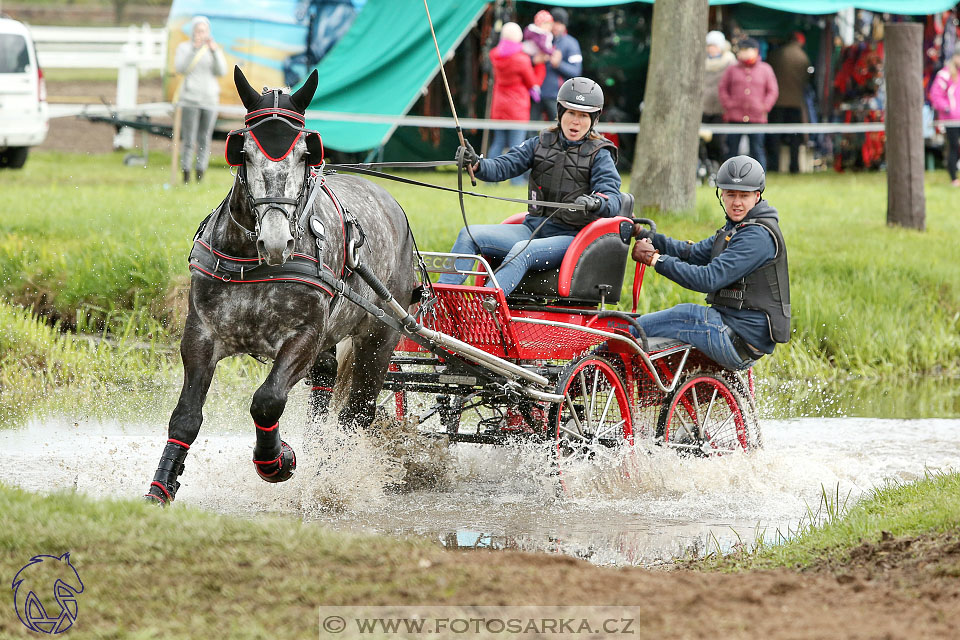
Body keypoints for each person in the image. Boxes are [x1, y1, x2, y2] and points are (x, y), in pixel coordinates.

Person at [438, 77, 622, 296]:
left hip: (572, 239)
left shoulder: (600, 154)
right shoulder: (540, 143)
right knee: (468, 234)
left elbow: (613, 198)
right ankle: (440, 305)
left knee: (521, 250)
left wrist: (596, 201)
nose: (576, 121)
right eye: (571, 113)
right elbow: (503, 166)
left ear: (594, 119)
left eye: (583, 116)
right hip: (531, 229)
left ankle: (483, 310)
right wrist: (477, 164)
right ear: (560, 111)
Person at [629, 155, 791, 371]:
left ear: (757, 196)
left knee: (637, 328)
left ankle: (580, 377)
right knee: (656, 323)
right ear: (721, 194)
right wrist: (641, 232)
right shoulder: (734, 229)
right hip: (728, 326)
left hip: (738, 338)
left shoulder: (757, 237)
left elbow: (708, 279)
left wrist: (654, 259)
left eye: (744, 195)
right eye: (731, 194)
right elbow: (690, 253)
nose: (736, 202)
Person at [174, 15, 227, 184]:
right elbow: (181, 68)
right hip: (190, 99)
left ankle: (200, 171)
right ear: (193, 31)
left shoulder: (213, 49)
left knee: (205, 138)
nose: (200, 34)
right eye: (197, 30)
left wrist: (214, 51)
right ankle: (186, 172)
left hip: (210, 100)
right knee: (189, 138)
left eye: (203, 31)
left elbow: (221, 71)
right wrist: (194, 50)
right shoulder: (184, 48)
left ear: (208, 32)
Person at [488, 22, 537, 186]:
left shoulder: (495, 55)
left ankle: (490, 178)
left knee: (498, 143)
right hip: (517, 107)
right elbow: (532, 82)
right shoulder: (521, 60)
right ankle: (516, 180)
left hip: (499, 105)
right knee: (518, 145)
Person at [718, 38, 778, 171]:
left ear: (755, 51)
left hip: (757, 117)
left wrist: (764, 107)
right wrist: (728, 104)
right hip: (735, 116)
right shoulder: (732, 69)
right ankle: (729, 176)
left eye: (747, 50)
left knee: (757, 149)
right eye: (742, 51)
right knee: (731, 149)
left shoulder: (765, 69)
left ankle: (759, 177)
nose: (744, 53)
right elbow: (722, 88)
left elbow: (772, 91)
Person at [766, 32, 812, 173]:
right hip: (795, 103)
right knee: (795, 139)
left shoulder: (775, 55)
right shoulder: (803, 58)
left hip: (777, 103)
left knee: (774, 136)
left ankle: (774, 166)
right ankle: (794, 167)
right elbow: (807, 79)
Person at [532, 7, 582, 124]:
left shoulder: (571, 43)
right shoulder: (539, 39)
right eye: (554, 22)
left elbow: (576, 71)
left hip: (557, 96)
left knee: (557, 129)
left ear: (565, 25)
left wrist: (558, 64)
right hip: (536, 93)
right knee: (530, 131)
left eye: (560, 23)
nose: (556, 26)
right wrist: (534, 60)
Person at [702, 31, 736, 163]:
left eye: (715, 45)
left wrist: (728, 103)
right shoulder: (700, 61)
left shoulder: (730, 63)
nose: (712, 49)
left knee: (718, 142)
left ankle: (720, 167)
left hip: (721, 109)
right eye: (709, 45)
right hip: (703, 107)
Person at [928, 51, 960, 187]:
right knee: (953, 147)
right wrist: (947, 108)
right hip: (951, 119)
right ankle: (953, 178)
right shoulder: (945, 74)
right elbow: (935, 95)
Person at [522, 10, 554, 92]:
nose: (550, 27)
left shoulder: (534, 32)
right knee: (539, 70)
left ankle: (535, 85)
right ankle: (535, 86)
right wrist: (550, 52)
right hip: (531, 54)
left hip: (532, 55)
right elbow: (542, 46)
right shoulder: (540, 34)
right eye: (548, 24)